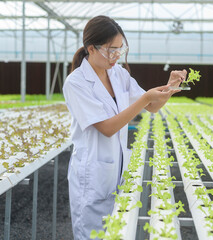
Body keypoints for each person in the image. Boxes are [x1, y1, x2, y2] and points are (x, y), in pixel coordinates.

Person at [62, 15, 186, 239]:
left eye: (120, 49)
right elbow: (108, 128)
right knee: (93, 235)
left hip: (117, 170)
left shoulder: (118, 74)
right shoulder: (77, 82)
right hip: (93, 176)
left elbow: (153, 107)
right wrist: (144, 99)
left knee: (117, 232)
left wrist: (170, 85)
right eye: (110, 50)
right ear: (91, 48)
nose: (116, 56)